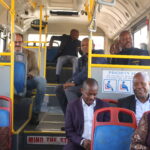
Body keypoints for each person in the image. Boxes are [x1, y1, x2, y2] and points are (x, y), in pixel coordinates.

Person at [56, 38, 108, 115]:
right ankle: (68, 118)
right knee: (59, 89)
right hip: (83, 84)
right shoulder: (81, 59)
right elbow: (76, 73)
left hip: (93, 85)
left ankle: (78, 116)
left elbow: (87, 71)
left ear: (93, 46)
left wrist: (74, 82)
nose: (85, 47)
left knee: (69, 89)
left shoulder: (99, 55)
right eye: (83, 45)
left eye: (87, 45)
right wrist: (70, 81)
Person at [64, 78, 109, 150]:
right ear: (82, 91)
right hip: (78, 143)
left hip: (98, 144)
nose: (92, 97)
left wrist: (97, 142)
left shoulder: (104, 106)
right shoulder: (72, 106)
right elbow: (69, 131)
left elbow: (107, 129)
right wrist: (82, 141)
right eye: (89, 94)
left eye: (94, 94)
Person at [14, 33, 46, 125]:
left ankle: (35, 112)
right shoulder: (6, 53)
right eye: (15, 42)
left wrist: (30, 75)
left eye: (19, 42)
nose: (17, 44)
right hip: (11, 81)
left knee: (42, 81)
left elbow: (36, 69)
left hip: (27, 79)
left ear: (22, 42)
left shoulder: (30, 54)